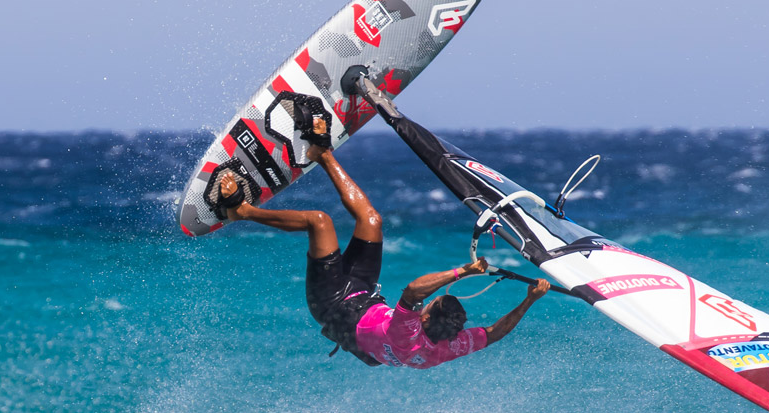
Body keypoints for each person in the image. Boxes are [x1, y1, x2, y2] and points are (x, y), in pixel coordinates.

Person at [211, 95, 549, 367]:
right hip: (363, 293)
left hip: (333, 306)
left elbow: (413, 290)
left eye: (432, 304)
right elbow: (494, 333)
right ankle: (321, 153)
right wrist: (529, 300)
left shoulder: (410, 335)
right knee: (372, 220)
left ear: (428, 316)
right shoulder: (449, 346)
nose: (428, 302)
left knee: (319, 221)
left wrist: (464, 271)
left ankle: (241, 210)